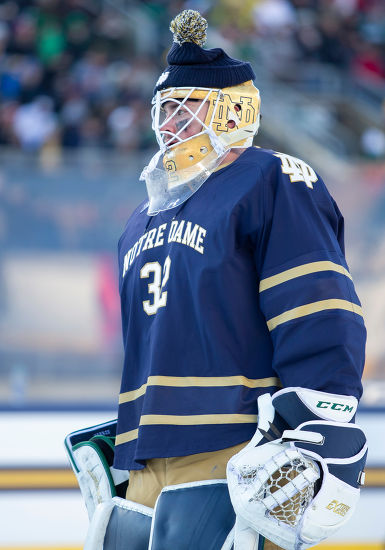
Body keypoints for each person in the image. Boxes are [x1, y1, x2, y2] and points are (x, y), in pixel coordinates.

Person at [104, 9, 367, 550]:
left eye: (186, 108)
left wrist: (318, 420)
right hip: (146, 458)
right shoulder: (142, 217)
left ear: (234, 110)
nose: (170, 125)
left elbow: (315, 307)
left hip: (234, 446)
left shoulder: (270, 180)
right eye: (164, 111)